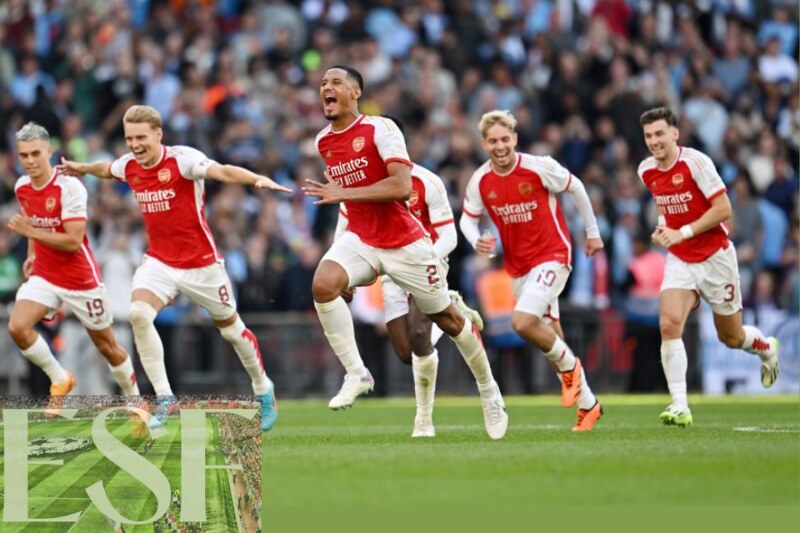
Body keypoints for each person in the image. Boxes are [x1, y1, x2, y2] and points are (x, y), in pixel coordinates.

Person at [302, 65, 507, 440]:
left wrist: (342, 193)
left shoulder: (382, 129)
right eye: (322, 84)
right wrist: (344, 263)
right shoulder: (323, 142)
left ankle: (489, 391)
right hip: (363, 240)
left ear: (355, 92)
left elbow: (399, 187)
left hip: (406, 244)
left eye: (335, 83)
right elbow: (349, 206)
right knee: (323, 284)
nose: (326, 88)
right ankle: (356, 373)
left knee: (445, 321)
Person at [58, 105, 290, 431]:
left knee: (232, 331)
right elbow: (108, 168)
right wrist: (82, 167)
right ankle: (165, 399)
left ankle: (263, 388)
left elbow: (221, 171)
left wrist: (257, 179)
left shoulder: (182, 160)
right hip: (160, 262)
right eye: (129, 138)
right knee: (138, 314)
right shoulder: (129, 165)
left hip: (202, 264)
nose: (135, 144)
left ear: (158, 134)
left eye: (141, 137)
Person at [337, 113, 485, 438]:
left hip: (422, 265)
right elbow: (345, 229)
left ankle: (425, 422)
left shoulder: (426, 181)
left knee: (420, 335)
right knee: (406, 353)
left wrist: (426, 258)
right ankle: (453, 308)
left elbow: (449, 235)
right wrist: (344, 274)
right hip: (389, 275)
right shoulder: (359, 185)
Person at [460, 110, 604, 432]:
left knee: (522, 322)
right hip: (519, 267)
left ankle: (571, 370)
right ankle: (590, 405)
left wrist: (592, 232)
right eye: (493, 140)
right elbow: (467, 218)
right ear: (484, 143)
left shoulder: (539, 167)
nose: (500, 146)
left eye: (505, 139)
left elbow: (576, 186)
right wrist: (476, 240)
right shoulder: (481, 180)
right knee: (552, 336)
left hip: (553, 254)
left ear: (515, 139)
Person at [638, 106, 780, 427]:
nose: (654, 141)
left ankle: (766, 348)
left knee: (730, 337)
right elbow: (666, 204)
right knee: (669, 323)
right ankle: (679, 405)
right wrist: (665, 228)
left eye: (660, 133)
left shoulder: (697, 163)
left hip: (715, 257)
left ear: (675, 133)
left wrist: (683, 231)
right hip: (680, 258)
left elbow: (723, 209)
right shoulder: (646, 170)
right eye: (648, 136)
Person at [7, 122, 140, 413]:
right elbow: (34, 220)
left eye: (35, 154)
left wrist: (30, 235)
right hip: (44, 273)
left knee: (108, 347)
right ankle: (60, 378)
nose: (29, 161)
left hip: (80, 279)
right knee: (17, 326)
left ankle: (135, 401)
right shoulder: (22, 187)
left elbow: (72, 240)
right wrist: (32, 252)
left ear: (49, 151)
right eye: (23, 155)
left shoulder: (69, 187)